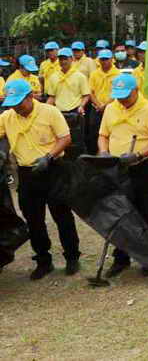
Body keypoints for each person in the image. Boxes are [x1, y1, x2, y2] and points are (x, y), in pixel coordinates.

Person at [0, 79, 79, 279]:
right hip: (27, 174)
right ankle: (43, 260)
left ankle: (72, 257)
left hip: (53, 169)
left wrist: (49, 157)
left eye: (19, 102)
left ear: (30, 96)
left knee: (62, 216)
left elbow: (65, 138)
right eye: (12, 104)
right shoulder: (7, 117)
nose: (16, 107)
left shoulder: (49, 112)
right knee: (34, 220)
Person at [98, 73, 148, 276]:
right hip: (118, 169)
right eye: (118, 96)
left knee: (146, 213)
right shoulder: (111, 108)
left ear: (136, 91)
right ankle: (121, 258)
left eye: (126, 96)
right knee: (120, 213)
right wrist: (104, 152)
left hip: (142, 168)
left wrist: (139, 154)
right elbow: (103, 135)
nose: (122, 100)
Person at [44, 47, 90, 159]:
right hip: (59, 113)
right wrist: (44, 109)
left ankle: (78, 163)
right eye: (60, 59)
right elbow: (52, 97)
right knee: (61, 140)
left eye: (65, 58)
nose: (63, 61)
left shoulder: (80, 76)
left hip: (75, 112)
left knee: (77, 142)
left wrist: (81, 106)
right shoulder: (54, 77)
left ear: (71, 59)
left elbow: (86, 95)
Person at [87, 49, 121, 155]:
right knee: (94, 132)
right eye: (102, 59)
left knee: (111, 131)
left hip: (112, 108)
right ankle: (96, 154)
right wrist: (98, 105)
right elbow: (90, 92)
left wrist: (105, 105)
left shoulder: (118, 74)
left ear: (111, 59)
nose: (104, 61)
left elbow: (118, 92)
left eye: (106, 59)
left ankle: (110, 152)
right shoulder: (94, 74)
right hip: (96, 108)